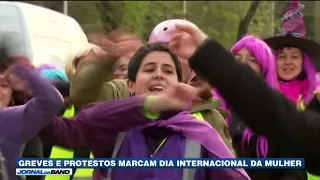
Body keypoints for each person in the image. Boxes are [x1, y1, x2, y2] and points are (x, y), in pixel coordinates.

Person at [41, 43, 249, 180]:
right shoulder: (115, 128)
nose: (159, 75)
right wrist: (148, 106)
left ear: (179, 83)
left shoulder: (202, 133)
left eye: (168, 71)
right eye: (149, 69)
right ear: (130, 84)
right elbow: (86, 117)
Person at [166, 17, 320, 176]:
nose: (244, 64)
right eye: (237, 59)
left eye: (252, 60)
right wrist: (206, 53)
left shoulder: (296, 110)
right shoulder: (211, 110)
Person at [0, 52, 63, 179]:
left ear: (12, 95)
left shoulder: (9, 120)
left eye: (4, 85)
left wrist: (25, 76)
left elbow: (52, 101)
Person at [264, 0, 320, 112]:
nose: (288, 62)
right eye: (282, 56)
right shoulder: (260, 92)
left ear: (303, 62)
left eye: (294, 57)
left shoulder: (316, 95)